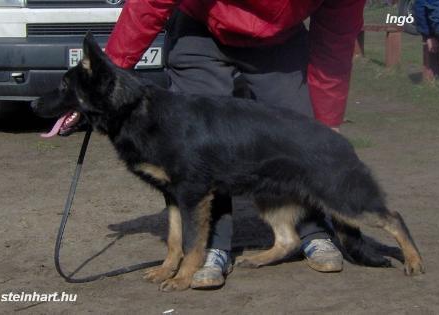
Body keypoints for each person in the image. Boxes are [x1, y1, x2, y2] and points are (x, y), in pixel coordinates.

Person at [102, 0, 366, 289]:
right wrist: (110, 73)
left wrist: (327, 119)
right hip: (200, 28)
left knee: (299, 129)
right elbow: (149, 4)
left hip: (280, 38)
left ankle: (312, 230)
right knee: (199, 144)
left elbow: (336, 35)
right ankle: (211, 247)